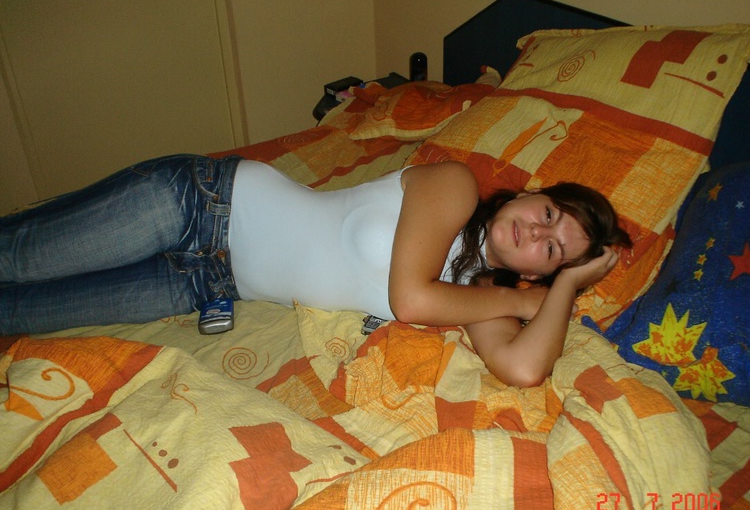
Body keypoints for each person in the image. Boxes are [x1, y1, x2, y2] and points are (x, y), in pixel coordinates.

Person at [0, 154, 631, 386]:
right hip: (200, 202)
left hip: (205, 284)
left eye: (553, 250)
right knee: (17, 256)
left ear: (540, 275)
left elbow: (522, 369)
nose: (537, 233)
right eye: (548, 214)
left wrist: (566, 289)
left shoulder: (475, 295)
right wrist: (525, 301)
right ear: (530, 194)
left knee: (18, 312)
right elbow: (410, 301)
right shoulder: (455, 186)